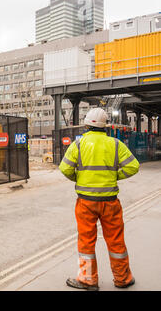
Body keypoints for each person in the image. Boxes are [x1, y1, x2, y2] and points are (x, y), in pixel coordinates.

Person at [59, 108, 139, 291]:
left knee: (86, 241)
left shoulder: (78, 144)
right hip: (110, 201)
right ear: (106, 126)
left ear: (86, 125)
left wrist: (77, 178)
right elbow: (133, 167)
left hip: (85, 203)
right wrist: (116, 175)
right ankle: (123, 279)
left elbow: (64, 169)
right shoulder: (116, 144)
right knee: (116, 240)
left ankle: (88, 280)